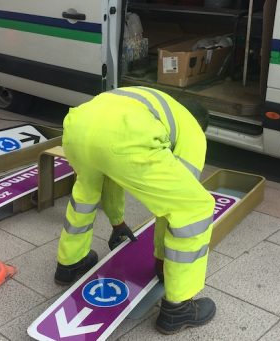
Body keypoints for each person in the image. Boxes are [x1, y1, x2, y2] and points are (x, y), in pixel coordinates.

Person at [53, 86, 216, 334]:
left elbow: (111, 176)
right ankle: (178, 307)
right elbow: (174, 210)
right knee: (195, 208)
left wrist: (118, 223)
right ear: (201, 126)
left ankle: (69, 263)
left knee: (86, 193)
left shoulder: (152, 104)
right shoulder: (192, 131)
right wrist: (162, 260)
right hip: (124, 135)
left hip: (77, 126)